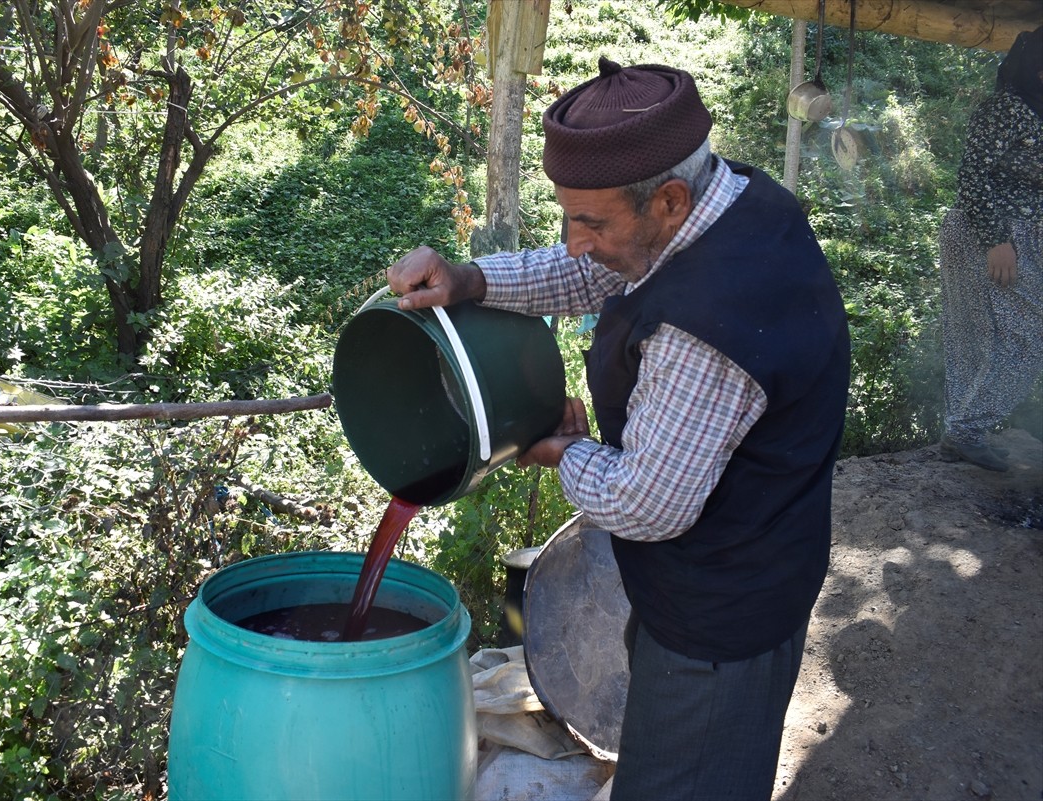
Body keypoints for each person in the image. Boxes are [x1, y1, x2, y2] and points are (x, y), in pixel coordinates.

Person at [387, 57, 850, 801]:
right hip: (734, 565)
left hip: (722, 617)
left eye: (589, 220)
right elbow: (592, 271)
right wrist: (471, 279)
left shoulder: (709, 326)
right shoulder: (727, 203)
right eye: (568, 214)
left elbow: (647, 502)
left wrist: (562, 452)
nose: (573, 239)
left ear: (667, 199)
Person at [938, 25, 1043, 472]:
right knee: (1029, 336)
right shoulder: (1007, 109)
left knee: (979, 337)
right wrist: (996, 239)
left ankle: (962, 432)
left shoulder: (1031, 112)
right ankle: (966, 429)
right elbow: (972, 175)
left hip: (992, 232)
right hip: (993, 234)